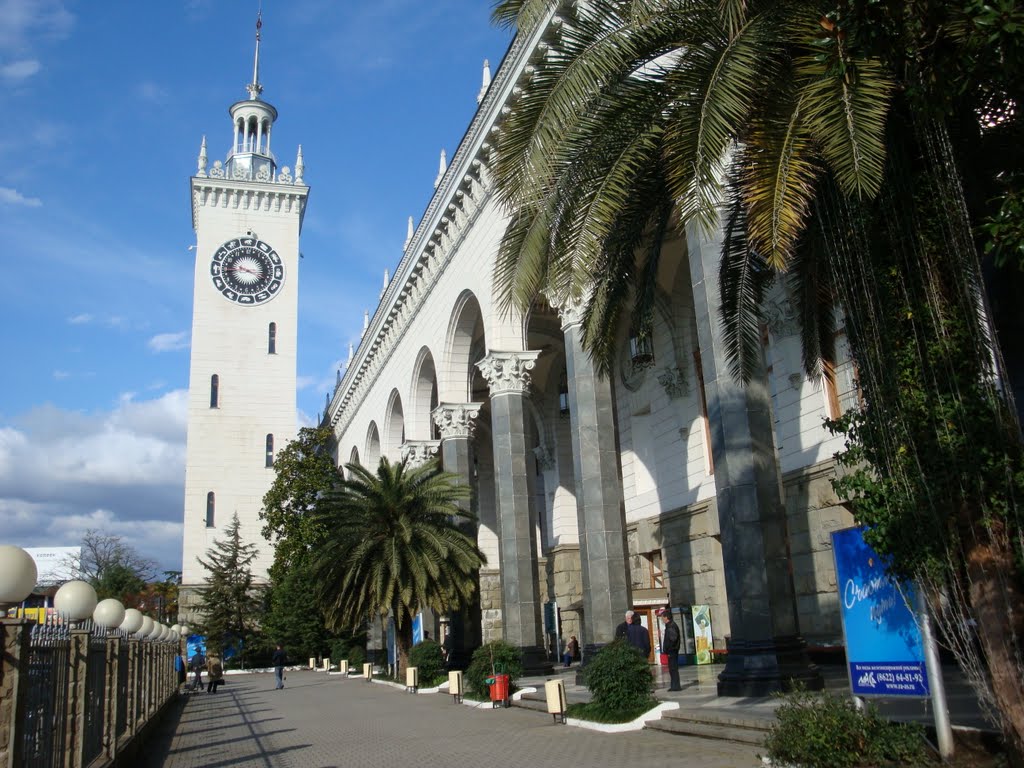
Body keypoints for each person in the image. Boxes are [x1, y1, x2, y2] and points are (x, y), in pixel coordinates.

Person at [659, 608, 682, 691]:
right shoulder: (670, 625)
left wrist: (669, 649)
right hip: (672, 651)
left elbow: (673, 639)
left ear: (666, 617)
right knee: (672, 669)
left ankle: (675, 686)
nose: (662, 619)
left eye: (662, 617)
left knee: (673, 669)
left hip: (672, 651)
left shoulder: (671, 626)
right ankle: (674, 685)